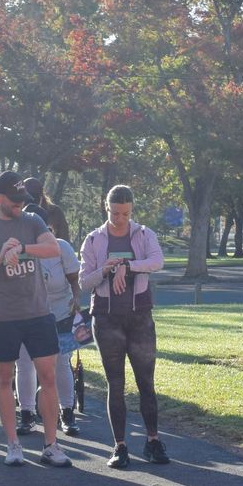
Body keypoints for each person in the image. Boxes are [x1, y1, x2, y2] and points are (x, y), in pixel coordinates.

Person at [0, 172, 72, 467]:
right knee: (4, 378)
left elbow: (53, 248)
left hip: (38, 312)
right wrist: (1, 256)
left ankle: (51, 445)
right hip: (3, 316)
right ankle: (13, 445)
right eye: (13, 202)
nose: (19, 206)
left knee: (48, 376)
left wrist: (22, 248)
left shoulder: (32, 221)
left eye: (22, 201)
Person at [79, 184, 169, 468]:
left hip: (139, 317)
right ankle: (120, 446)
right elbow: (84, 282)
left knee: (146, 383)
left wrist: (127, 267)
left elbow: (157, 261)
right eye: (115, 213)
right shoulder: (94, 240)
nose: (120, 218)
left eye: (126, 213)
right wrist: (106, 268)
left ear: (132, 210)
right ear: (106, 208)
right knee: (115, 383)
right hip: (107, 319)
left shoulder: (143, 234)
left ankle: (153, 440)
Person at [16, 178, 83, 437]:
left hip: (59, 311)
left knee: (61, 363)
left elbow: (74, 281)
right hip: (26, 312)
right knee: (25, 364)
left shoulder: (61, 248)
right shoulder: (18, 249)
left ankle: (67, 412)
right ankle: (27, 414)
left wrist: (76, 298)